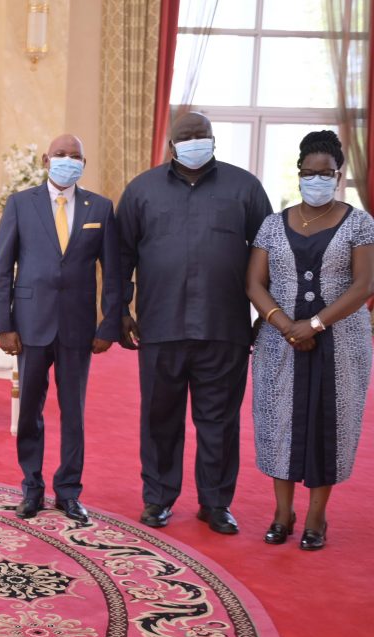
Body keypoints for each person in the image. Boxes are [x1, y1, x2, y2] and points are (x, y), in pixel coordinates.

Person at [118, 112, 272, 534]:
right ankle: (158, 498)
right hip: (159, 326)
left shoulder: (245, 188)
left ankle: (216, 503)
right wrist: (120, 310)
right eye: (186, 137)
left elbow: (270, 254)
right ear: (171, 144)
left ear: (213, 140)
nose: (194, 142)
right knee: (160, 418)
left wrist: (267, 314)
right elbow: (121, 255)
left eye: (201, 135)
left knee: (219, 421)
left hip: (224, 327)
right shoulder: (141, 190)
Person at [246, 130, 373, 551]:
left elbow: (364, 285)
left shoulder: (360, 223)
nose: (316, 180)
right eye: (308, 173)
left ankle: (317, 517)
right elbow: (254, 282)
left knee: (329, 425)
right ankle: (282, 513)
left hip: (342, 345)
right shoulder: (272, 224)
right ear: (298, 173)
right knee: (278, 421)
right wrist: (287, 325)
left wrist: (314, 324)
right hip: (279, 343)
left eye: (325, 173)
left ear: (338, 175)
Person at [0, 133, 121, 524]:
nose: (68, 160)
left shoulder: (100, 207)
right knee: (29, 410)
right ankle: (31, 487)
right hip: (30, 324)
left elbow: (112, 273)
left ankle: (68, 491)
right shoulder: (20, 203)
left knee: (73, 413)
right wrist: (3, 324)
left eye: (75, 155)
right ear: (47, 160)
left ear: (84, 163)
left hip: (78, 327)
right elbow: (3, 267)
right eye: (61, 154)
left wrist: (109, 323)